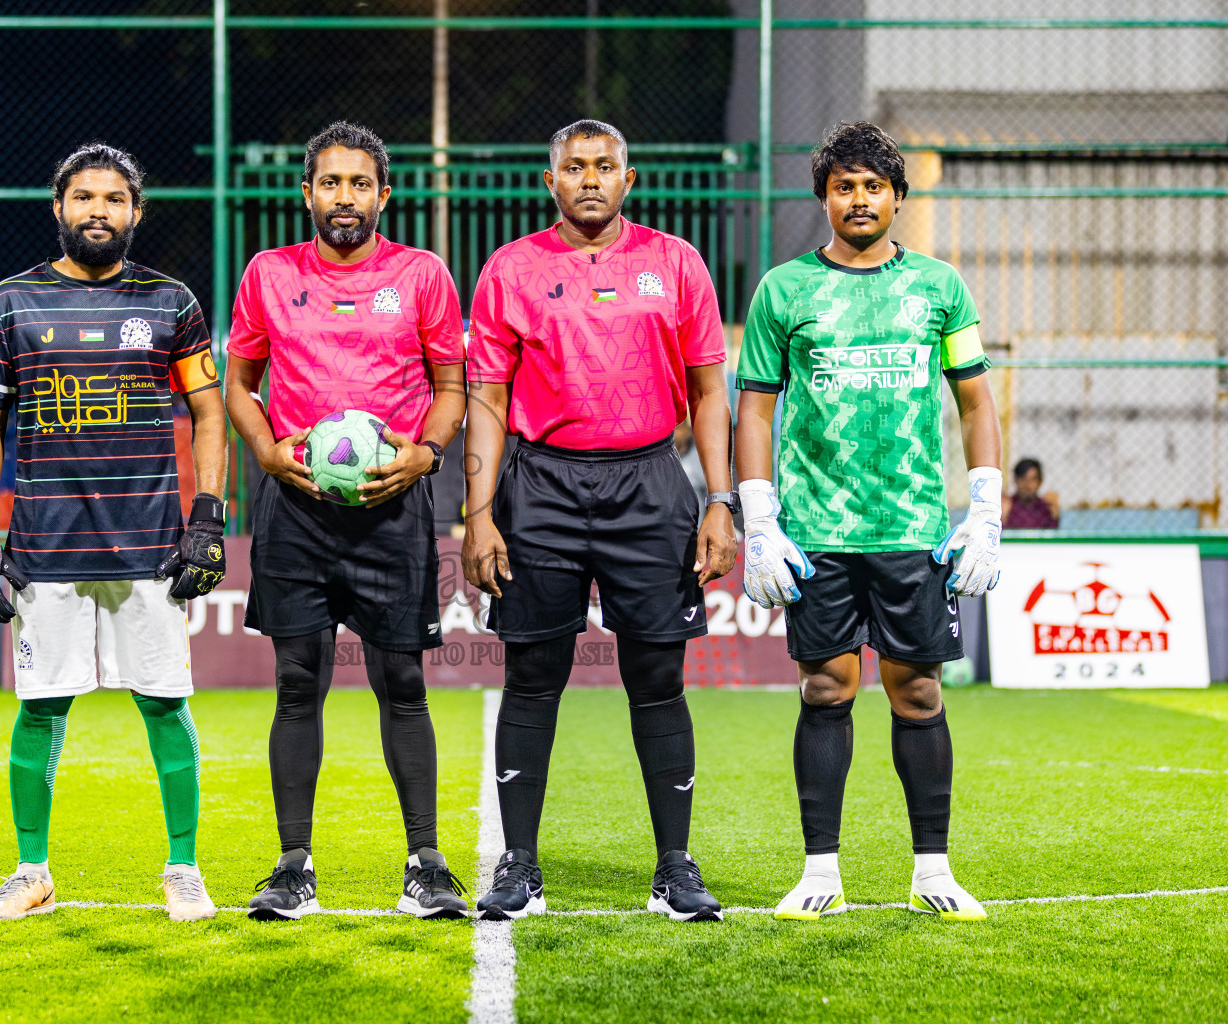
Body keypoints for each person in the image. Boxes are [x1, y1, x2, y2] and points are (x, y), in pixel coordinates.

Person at [464, 119, 737, 923]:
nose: (589, 178)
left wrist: (719, 500)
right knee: (532, 678)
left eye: (605, 165)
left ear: (629, 178)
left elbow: (711, 391)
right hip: (541, 487)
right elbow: (485, 398)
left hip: (651, 482)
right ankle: (519, 866)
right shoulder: (511, 269)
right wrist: (478, 515)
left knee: (657, 681)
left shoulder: (676, 263)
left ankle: (675, 868)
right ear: (550, 180)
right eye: (574, 166)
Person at [734, 121, 1000, 923]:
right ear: (823, 197)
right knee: (826, 687)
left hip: (913, 530)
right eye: (844, 185)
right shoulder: (783, 290)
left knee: (917, 691)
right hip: (817, 533)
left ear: (896, 197)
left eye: (873, 185)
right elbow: (754, 408)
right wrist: (757, 517)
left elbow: (975, 397)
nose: (859, 198)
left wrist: (983, 509)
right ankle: (821, 871)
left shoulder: (940, 287)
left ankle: (933, 870)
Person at [0, 143, 228, 924]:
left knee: (164, 701)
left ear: (136, 212)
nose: (98, 211)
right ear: (59, 207)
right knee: (41, 707)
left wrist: (207, 521)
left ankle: (182, 867)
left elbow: (209, 412)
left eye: (114, 199)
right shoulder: (12, 302)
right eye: (84, 198)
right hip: (44, 549)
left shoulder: (171, 301)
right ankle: (31, 870)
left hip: (149, 545)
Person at [224, 121, 470, 920]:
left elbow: (452, 387)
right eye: (330, 183)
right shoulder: (267, 274)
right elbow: (238, 385)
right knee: (299, 685)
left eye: (359, 184)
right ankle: (293, 865)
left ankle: (426, 862)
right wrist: (263, 449)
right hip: (295, 509)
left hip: (393, 508)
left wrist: (426, 457)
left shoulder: (422, 275)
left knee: (403, 683)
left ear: (383, 195)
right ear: (307, 193)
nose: (344, 198)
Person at [1004, 457, 1060, 529]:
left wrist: (1055, 515)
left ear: (1040, 481)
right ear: (1016, 480)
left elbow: (1052, 536)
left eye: (1033, 479)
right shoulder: (1008, 506)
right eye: (1023, 479)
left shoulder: (1045, 508)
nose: (1028, 485)